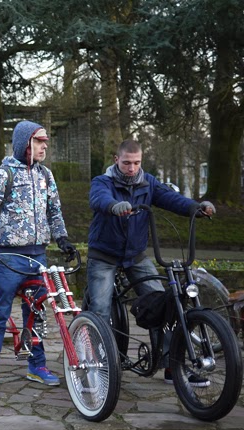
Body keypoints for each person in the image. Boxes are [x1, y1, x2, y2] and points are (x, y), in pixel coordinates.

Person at [86, 139, 215, 386]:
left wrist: (197, 208)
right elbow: (99, 199)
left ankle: (171, 367)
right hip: (104, 255)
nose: (132, 168)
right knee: (100, 310)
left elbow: (171, 199)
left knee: (163, 306)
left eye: (136, 163)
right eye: (126, 163)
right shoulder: (102, 181)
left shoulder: (148, 182)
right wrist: (114, 206)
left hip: (135, 255)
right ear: (116, 160)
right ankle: (97, 365)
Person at [0, 120, 76, 390]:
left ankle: (36, 366)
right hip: (9, 258)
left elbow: (54, 211)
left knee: (38, 311)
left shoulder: (46, 176)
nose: (44, 146)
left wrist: (62, 239)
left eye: (45, 142)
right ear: (24, 143)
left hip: (38, 256)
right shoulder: (3, 175)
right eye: (39, 141)